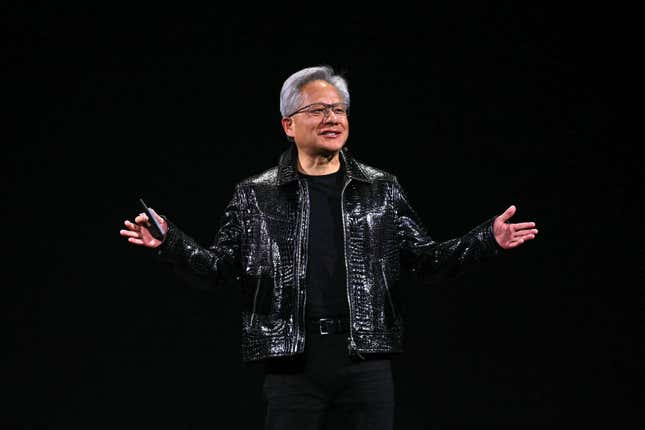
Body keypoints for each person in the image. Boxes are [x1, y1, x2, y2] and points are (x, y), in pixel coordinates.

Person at [119, 65, 538, 430]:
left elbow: (424, 261)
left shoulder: (381, 189)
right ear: (288, 124)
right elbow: (219, 269)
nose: (331, 118)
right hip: (292, 364)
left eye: (339, 109)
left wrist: (487, 240)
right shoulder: (255, 195)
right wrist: (170, 242)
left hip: (365, 360)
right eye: (317, 110)